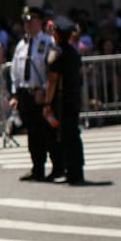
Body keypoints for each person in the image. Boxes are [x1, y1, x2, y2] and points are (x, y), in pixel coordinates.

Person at [10, 7, 62, 182]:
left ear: (40, 21)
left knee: (49, 132)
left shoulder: (48, 42)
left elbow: (53, 70)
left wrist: (45, 90)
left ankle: (57, 167)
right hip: (26, 94)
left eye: (31, 19)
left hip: (42, 94)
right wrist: (15, 94)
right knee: (33, 133)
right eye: (25, 20)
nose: (27, 23)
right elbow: (15, 71)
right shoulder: (21, 44)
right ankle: (37, 168)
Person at [46, 22, 86, 185]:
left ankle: (71, 170)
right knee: (73, 135)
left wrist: (47, 103)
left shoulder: (58, 53)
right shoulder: (73, 52)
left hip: (62, 99)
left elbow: (53, 79)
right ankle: (76, 170)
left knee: (65, 136)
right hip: (74, 97)